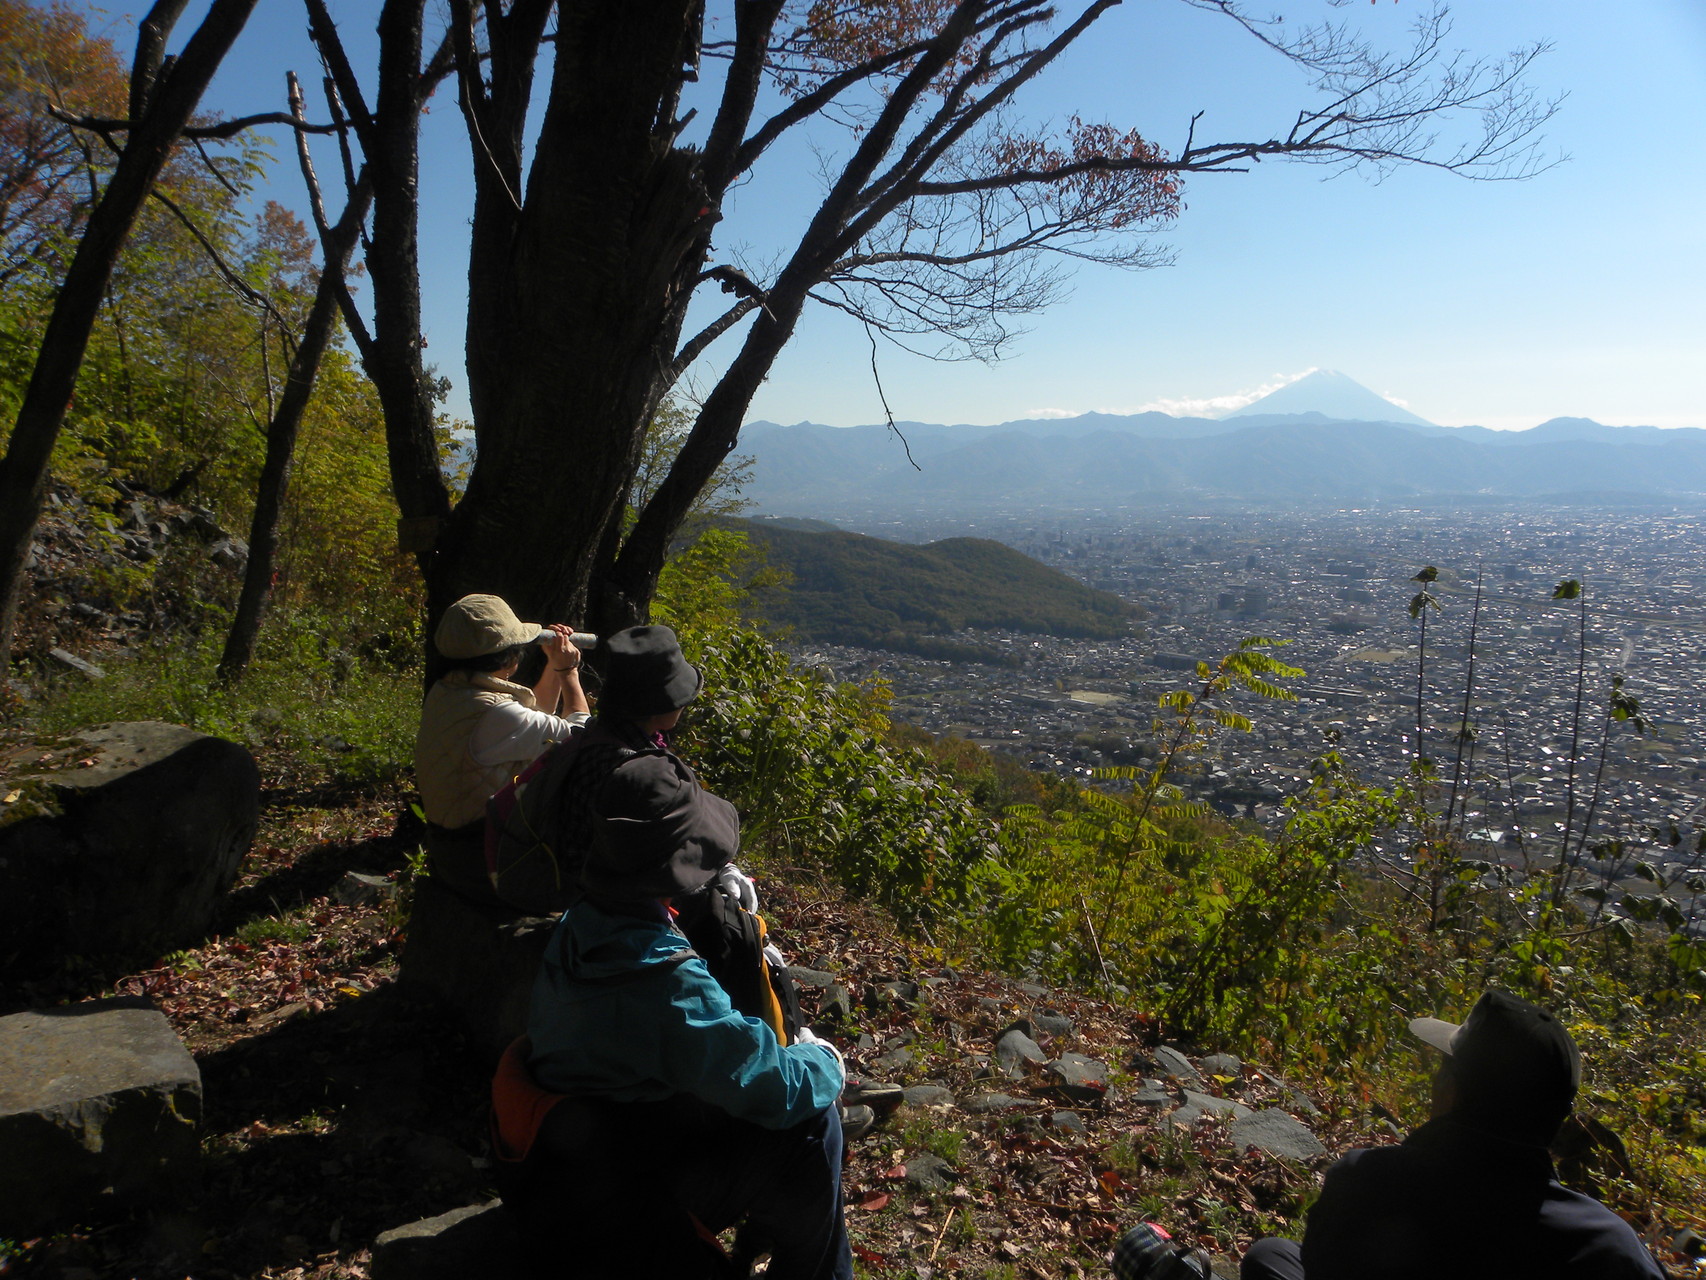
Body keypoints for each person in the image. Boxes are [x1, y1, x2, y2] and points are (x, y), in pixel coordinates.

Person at [507, 748, 853, 1279]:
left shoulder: (581, 924)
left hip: (582, 1146)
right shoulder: (662, 981)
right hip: (624, 1187)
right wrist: (824, 1058)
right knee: (813, 1124)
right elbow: (775, 1086)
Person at [1241, 990, 1665, 1280]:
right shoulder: (1609, 1250)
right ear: (1555, 1121)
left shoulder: (1366, 1181)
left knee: (1270, 1254)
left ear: (1452, 1089)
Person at [414, 593, 589, 903]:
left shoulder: (449, 692)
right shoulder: (492, 713)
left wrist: (552, 667)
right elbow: (580, 739)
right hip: (483, 861)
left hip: (451, 853)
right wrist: (568, 673)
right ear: (507, 657)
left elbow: (533, 726)